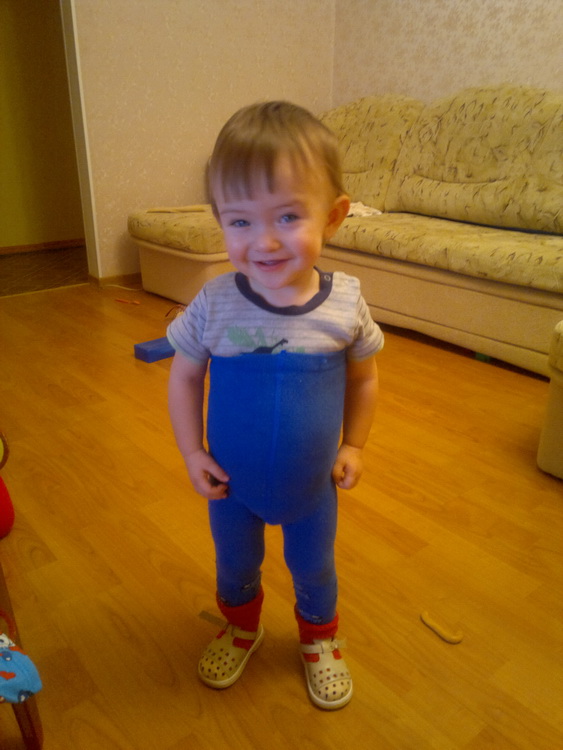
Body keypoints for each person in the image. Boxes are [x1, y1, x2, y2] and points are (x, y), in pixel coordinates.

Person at [167, 101, 383, 710]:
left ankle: (319, 639)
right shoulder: (214, 302)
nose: (263, 241)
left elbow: (365, 379)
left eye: (288, 216)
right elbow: (184, 378)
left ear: (333, 216)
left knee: (314, 568)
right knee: (235, 564)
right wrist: (191, 453)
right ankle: (241, 627)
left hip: (313, 486)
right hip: (230, 485)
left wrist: (354, 443)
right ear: (220, 220)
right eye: (239, 221)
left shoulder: (345, 304)